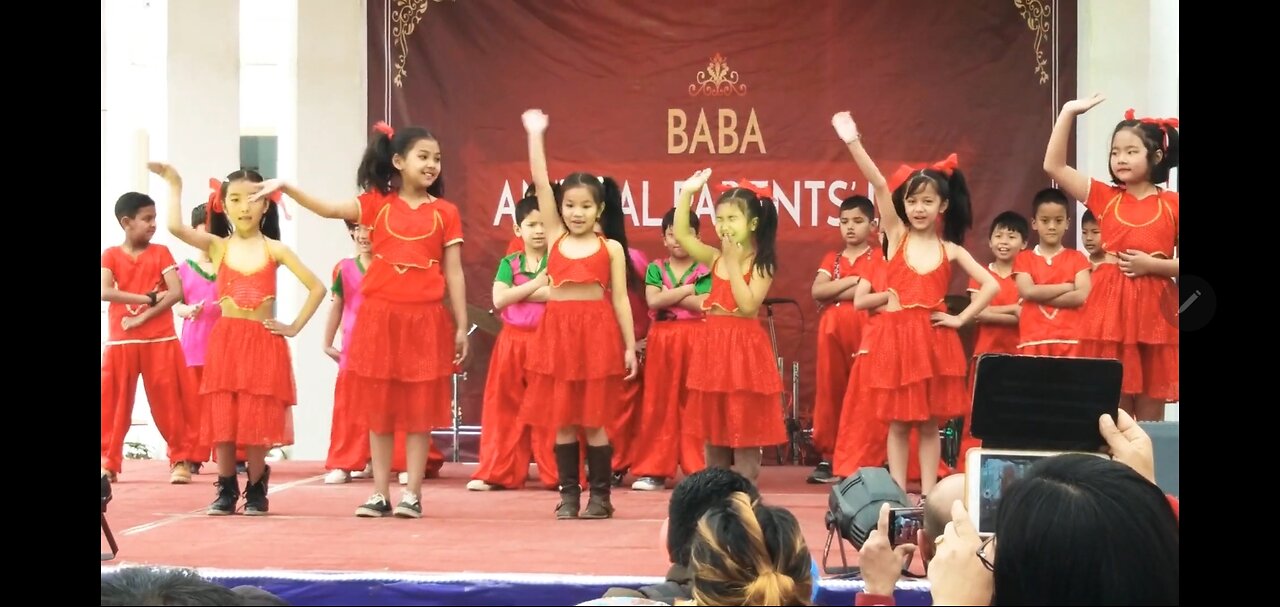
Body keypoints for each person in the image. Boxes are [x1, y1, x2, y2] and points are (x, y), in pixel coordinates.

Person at [250, 122, 469, 518]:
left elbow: (454, 273)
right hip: (378, 319)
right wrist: (287, 186)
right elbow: (328, 208)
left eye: (437, 158)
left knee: (419, 413)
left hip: (425, 320)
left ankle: (413, 494)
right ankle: (380, 493)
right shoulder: (375, 204)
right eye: (423, 157)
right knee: (380, 410)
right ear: (398, 161)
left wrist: (460, 324)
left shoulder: (445, 213)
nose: (432, 164)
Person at [830, 111, 999, 497]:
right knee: (897, 423)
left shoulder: (950, 249)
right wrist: (853, 141)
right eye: (912, 200)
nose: (918, 207)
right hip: (896, 338)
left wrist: (961, 320)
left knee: (928, 424)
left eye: (927, 201)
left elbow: (990, 284)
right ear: (903, 204)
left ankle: (927, 494)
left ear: (942, 207)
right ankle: (895, 492)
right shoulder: (895, 235)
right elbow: (876, 181)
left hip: (934, 339)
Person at [152, 163, 325, 516]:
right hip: (227, 340)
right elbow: (174, 227)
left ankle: (257, 489)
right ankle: (226, 488)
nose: (245, 206)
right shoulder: (218, 246)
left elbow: (317, 287)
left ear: (266, 205)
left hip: (262, 342)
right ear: (223, 205)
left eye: (253, 198)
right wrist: (174, 183)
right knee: (224, 418)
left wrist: (293, 327)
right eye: (236, 199)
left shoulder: (276, 249)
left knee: (256, 419)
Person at [519, 109, 639, 519]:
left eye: (585, 206)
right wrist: (536, 134)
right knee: (564, 422)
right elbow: (539, 180)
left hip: (597, 334)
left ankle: (601, 497)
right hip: (557, 336)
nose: (575, 212)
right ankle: (569, 495)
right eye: (569, 205)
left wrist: (628, 347)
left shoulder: (611, 249)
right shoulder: (554, 236)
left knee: (594, 422)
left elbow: (620, 300)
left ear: (599, 209)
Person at [1044, 95, 1179, 421]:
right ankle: (1113, 471)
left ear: (1156, 156)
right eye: (1115, 152)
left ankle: (1146, 470)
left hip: (1155, 311)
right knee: (1112, 407)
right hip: (1111, 310)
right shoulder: (1105, 197)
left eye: (1131, 151)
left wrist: (1153, 266)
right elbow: (1054, 166)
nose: (1120, 158)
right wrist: (1068, 112)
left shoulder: (1172, 204)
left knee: (1149, 413)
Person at [672, 169, 787, 485]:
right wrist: (687, 194)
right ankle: (714, 489)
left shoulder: (762, 262)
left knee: (746, 427)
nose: (723, 226)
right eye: (719, 219)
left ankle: (745, 490)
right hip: (714, 347)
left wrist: (734, 263)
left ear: (751, 224)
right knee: (714, 425)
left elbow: (748, 304)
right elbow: (682, 236)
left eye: (731, 219)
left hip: (745, 350)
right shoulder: (713, 256)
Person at [100, 191, 202, 485]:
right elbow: (105, 290)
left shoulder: (160, 253)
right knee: (113, 404)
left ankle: (180, 458)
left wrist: (142, 316)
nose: (153, 224)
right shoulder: (111, 255)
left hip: (160, 339)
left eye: (155, 218)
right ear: (126, 222)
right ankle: (108, 461)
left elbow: (176, 291)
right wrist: (145, 298)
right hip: (122, 341)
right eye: (147, 219)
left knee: (170, 401)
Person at [468, 194, 559, 491]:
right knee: (504, 407)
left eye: (544, 224)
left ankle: (557, 474)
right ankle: (499, 472)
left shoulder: (558, 260)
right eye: (531, 224)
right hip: (512, 342)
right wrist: (535, 284)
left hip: (547, 341)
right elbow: (498, 299)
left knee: (550, 408)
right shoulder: (510, 262)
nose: (539, 231)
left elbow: (556, 295)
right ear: (518, 230)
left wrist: (517, 291)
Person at [629, 208, 711, 492]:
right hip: (662, 338)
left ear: (698, 237)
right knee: (658, 402)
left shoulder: (706, 267)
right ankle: (654, 469)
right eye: (671, 234)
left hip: (697, 337)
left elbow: (704, 304)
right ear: (663, 238)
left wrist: (670, 295)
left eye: (685, 234)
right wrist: (688, 290)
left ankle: (698, 468)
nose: (677, 240)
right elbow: (653, 302)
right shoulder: (655, 268)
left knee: (695, 403)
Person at [809, 195, 879, 484]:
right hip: (832, 331)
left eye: (858, 221)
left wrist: (839, 288)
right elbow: (817, 291)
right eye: (844, 221)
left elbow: (869, 291)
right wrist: (854, 281)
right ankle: (830, 455)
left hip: (867, 328)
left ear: (872, 225)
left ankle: (866, 456)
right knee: (831, 390)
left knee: (864, 393)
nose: (850, 227)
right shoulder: (832, 259)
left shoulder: (878, 257)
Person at [1013, 187, 1092, 357]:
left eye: (1058, 220)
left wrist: (1039, 293)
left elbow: (1081, 296)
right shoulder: (1023, 258)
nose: (1052, 226)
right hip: (1034, 341)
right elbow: (1027, 291)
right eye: (1045, 220)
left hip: (1072, 342)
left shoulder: (1077, 258)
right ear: (1034, 223)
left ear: (1067, 223)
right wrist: (1067, 287)